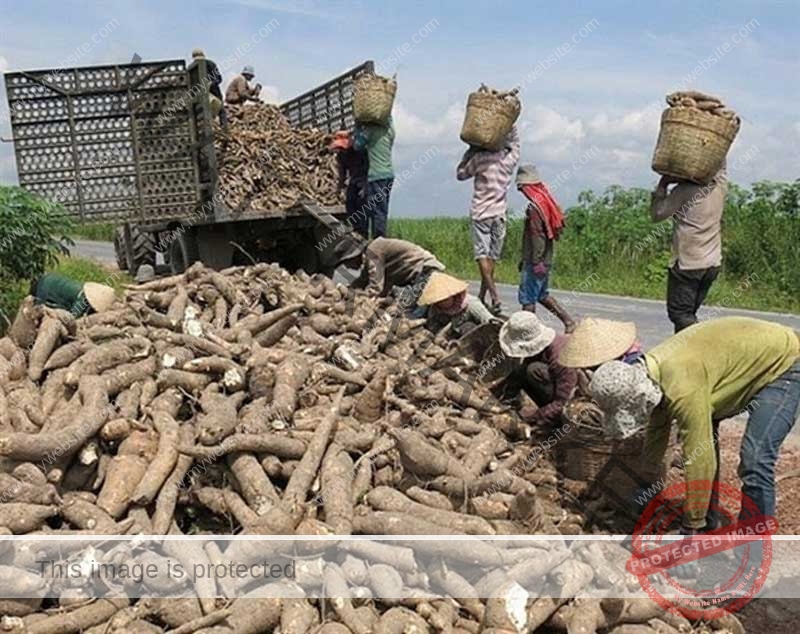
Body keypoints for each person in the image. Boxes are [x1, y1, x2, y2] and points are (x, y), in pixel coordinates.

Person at [590, 316, 800, 533]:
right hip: (740, 360)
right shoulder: (651, 374)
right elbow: (656, 435)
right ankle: (709, 525)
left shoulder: (682, 388)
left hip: (785, 363)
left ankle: (754, 550)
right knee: (705, 437)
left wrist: (690, 527)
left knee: (755, 461)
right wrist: (645, 487)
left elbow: (700, 459)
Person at [651, 163, 727, 333]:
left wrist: (663, 183)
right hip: (713, 263)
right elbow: (720, 165)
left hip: (689, 265)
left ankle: (703, 344)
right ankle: (686, 353)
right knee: (688, 313)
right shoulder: (719, 187)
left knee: (680, 314)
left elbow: (657, 214)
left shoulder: (683, 191)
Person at [457, 126, 520, 315]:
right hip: (500, 214)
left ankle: (494, 296)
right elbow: (516, 144)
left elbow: (460, 174)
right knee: (492, 257)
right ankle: (483, 295)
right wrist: (510, 124)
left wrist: (470, 151)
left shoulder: (479, 159)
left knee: (482, 255)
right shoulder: (507, 160)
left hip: (481, 213)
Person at [515, 164, 575, 332]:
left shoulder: (535, 208)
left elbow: (537, 236)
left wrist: (535, 261)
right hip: (544, 259)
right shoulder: (545, 204)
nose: (520, 191)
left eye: (521, 187)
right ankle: (569, 322)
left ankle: (527, 333)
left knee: (528, 299)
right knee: (542, 295)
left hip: (537, 260)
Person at [499, 311, 579, 427]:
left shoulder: (560, 359)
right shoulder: (540, 350)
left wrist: (534, 416)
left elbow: (563, 403)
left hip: (568, 400)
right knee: (522, 370)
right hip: (554, 384)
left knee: (534, 369)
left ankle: (554, 423)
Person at [334, 236, 444, 304]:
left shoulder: (373, 251)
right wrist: (348, 290)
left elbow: (375, 288)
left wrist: (360, 298)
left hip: (427, 270)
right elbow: (364, 280)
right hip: (420, 274)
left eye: (347, 263)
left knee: (412, 311)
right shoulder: (372, 251)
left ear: (353, 256)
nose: (347, 267)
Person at [418, 272, 495, 339]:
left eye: (444, 299)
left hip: (472, 340)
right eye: (438, 301)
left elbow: (490, 321)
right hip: (447, 339)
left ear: (453, 295)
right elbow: (431, 327)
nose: (441, 303)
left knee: (468, 327)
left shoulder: (471, 304)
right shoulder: (435, 309)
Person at [353, 116, 395, 239]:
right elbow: (389, 121)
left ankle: (379, 240)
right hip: (389, 175)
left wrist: (357, 127)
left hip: (376, 176)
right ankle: (380, 238)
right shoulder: (388, 131)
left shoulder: (370, 131)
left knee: (376, 210)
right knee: (383, 208)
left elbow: (357, 145)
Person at [330, 131, 369, 238]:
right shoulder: (341, 155)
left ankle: (364, 233)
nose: (342, 149)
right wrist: (339, 188)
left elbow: (368, 167)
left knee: (361, 203)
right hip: (354, 179)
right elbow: (342, 173)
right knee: (350, 203)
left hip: (364, 178)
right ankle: (357, 229)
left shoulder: (360, 151)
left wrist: (366, 185)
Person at [31, 273, 116, 316]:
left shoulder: (83, 291)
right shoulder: (83, 301)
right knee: (37, 312)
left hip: (49, 278)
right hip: (45, 286)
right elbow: (71, 318)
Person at [192, 48, 227, 126]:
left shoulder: (192, 68)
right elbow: (219, 79)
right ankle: (224, 129)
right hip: (214, 92)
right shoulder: (211, 64)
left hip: (200, 94)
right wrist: (211, 84)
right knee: (221, 110)